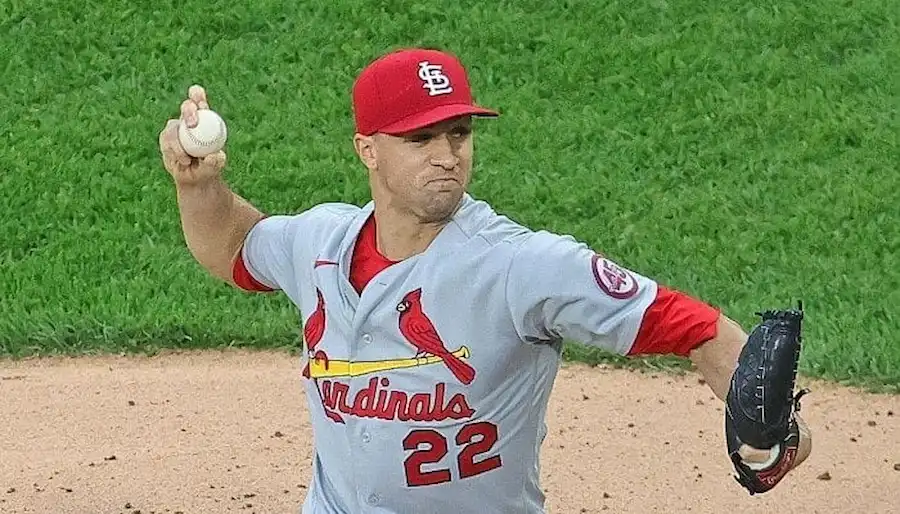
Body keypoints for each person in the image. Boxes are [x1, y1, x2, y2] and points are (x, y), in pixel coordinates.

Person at [158, 47, 811, 513]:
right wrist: (200, 185)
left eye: (460, 133)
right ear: (368, 149)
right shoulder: (319, 242)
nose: (448, 156)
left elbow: (694, 326)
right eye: (422, 140)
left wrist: (776, 433)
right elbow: (237, 245)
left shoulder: (521, 266)